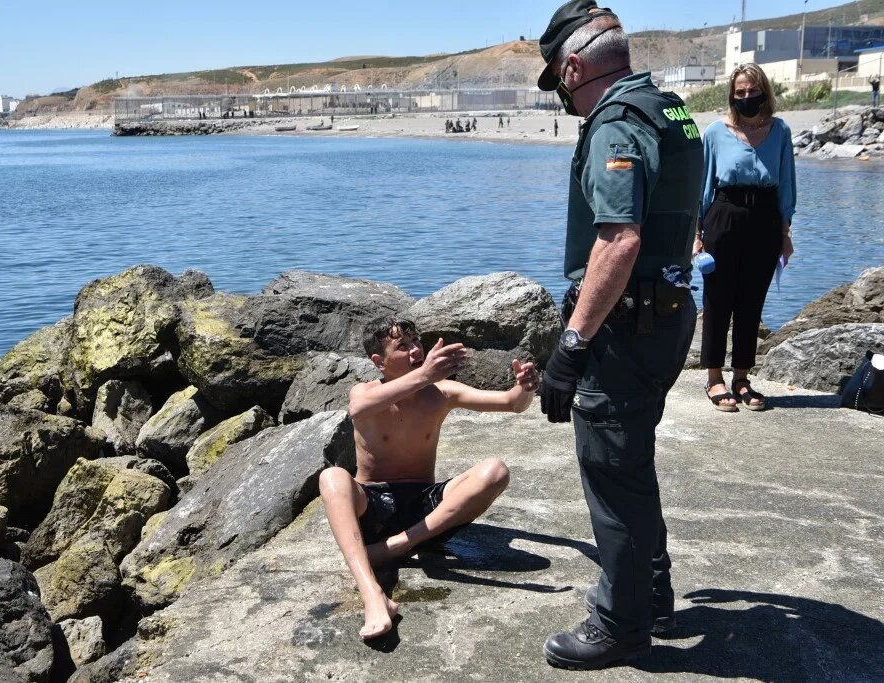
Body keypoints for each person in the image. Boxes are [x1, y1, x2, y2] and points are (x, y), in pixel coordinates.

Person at [535, 0, 704, 669]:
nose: (565, 101)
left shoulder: (614, 124)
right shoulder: (669, 109)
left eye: (559, 84)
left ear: (574, 67)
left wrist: (571, 346)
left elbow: (619, 239)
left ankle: (622, 622)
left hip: (624, 327)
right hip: (665, 314)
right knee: (631, 464)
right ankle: (650, 594)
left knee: (610, 468)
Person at [319, 317, 539, 640]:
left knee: (496, 472)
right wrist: (424, 374)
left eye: (416, 342)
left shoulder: (441, 393)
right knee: (332, 478)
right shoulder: (364, 392)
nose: (415, 350)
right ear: (378, 362)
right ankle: (373, 596)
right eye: (402, 346)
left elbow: (511, 404)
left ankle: (392, 549)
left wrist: (525, 388)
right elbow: (357, 409)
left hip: (426, 508)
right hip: (373, 507)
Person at [695, 63, 796, 412]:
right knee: (717, 300)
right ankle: (713, 378)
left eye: (753, 91)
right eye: (740, 93)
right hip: (724, 214)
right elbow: (702, 185)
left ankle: (741, 377)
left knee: (752, 302)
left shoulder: (780, 131)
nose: (747, 97)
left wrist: (785, 232)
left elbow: (786, 184)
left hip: (766, 220)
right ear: (732, 95)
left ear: (764, 92)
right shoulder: (714, 132)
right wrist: (697, 234)